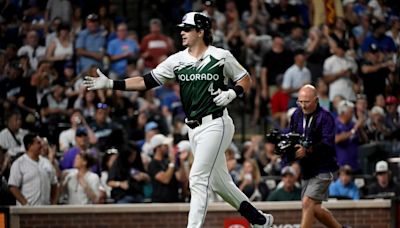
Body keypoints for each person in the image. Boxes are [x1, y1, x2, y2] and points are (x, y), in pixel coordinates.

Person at [83, 11, 273, 228]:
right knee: (220, 184)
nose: (182, 32)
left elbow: (245, 78)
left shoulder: (221, 56)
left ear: (201, 31)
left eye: (187, 29)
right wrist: (112, 84)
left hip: (216, 123)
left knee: (198, 179)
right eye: (182, 29)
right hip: (194, 128)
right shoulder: (177, 59)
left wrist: (233, 92)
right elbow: (146, 81)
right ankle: (260, 220)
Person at [282, 84, 342, 228]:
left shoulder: (326, 117)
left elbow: (328, 144)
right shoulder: (296, 115)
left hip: (324, 167)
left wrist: (307, 150)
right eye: (300, 101)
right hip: (307, 169)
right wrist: (285, 149)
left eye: (307, 102)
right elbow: (292, 136)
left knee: (307, 202)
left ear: (316, 100)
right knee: (314, 208)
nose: (303, 105)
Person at [8, 133, 58, 205]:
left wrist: (53, 203)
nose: (41, 145)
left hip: (45, 210)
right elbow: (13, 187)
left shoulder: (46, 162)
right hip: (26, 211)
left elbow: (54, 184)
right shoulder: (19, 163)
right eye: (38, 143)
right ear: (29, 145)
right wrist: (25, 204)